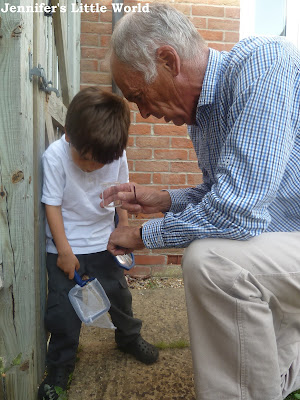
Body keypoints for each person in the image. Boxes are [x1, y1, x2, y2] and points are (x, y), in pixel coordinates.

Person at [103, 4, 300, 400]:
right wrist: (164, 199)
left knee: (212, 262)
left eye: (139, 96)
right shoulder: (203, 118)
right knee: (231, 264)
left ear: (168, 60)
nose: (142, 113)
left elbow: (236, 212)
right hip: (285, 241)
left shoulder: (264, 63)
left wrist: (143, 236)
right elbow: (223, 194)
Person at [38, 87, 159, 400]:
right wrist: (64, 251)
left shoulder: (114, 153)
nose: (91, 167)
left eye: (98, 163)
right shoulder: (55, 157)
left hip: (104, 244)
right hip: (66, 249)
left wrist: (124, 227)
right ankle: (60, 368)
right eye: (85, 159)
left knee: (119, 296)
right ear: (70, 135)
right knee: (63, 312)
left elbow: (120, 193)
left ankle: (128, 337)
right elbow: (51, 204)